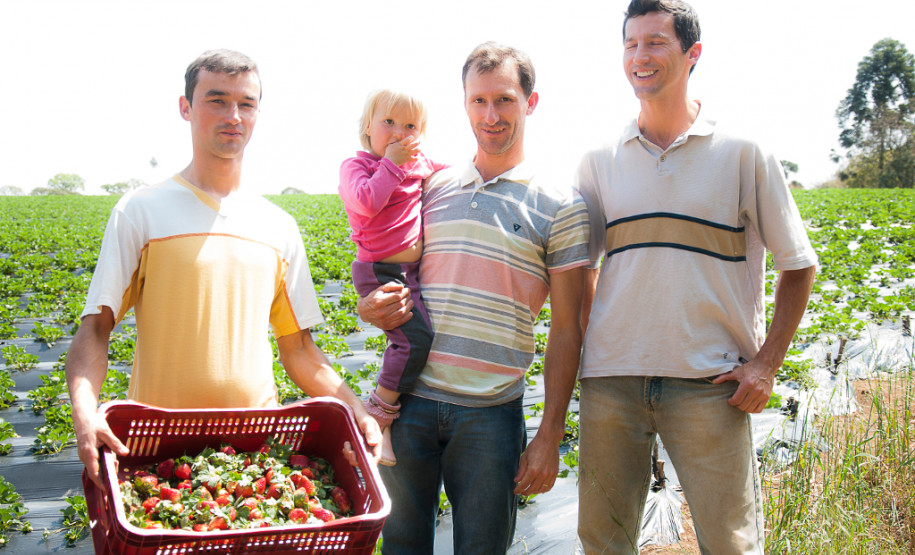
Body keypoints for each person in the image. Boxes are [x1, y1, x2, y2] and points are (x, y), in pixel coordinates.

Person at [65, 49, 381, 489]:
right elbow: (95, 331)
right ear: (186, 107)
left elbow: (300, 351)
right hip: (160, 456)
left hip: (253, 458)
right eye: (217, 99)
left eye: (246, 103)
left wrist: (356, 410)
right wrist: (85, 412)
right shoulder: (140, 212)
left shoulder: (277, 226)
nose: (234, 115)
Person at [574, 1, 818, 552]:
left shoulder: (742, 154)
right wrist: (607, 340)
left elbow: (798, 266)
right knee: (602, 541)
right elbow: (582, 270)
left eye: (656, 41)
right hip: (612, 386)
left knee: (729, 542)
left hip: (711, 387)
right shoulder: (598, 161)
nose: (640, 55)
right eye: (631, 43)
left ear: (692, 54)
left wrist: (766, 365)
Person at [357, 42, 591, 554]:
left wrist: (550, 434)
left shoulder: (561, 204)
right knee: (400, 546)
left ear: (530, 102)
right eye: (478, 100)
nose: (491, 114)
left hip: (491, 414)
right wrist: (367, 307)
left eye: (504, 99)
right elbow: (391, 271)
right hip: (410, 405)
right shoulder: (430, 187)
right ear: (464, 105)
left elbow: (570, 326)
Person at [338, 89, 446, 467]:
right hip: (379, 269)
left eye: (410, 126)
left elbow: (448, 172)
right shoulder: (359, 167)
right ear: (367, 128)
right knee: (412, 341)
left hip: (409, 272)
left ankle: (382, 414)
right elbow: (366, 201)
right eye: (388, 122)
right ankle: (378, 416)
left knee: (414, 338)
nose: (399, 133)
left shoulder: (416, 163)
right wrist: (395, 165)